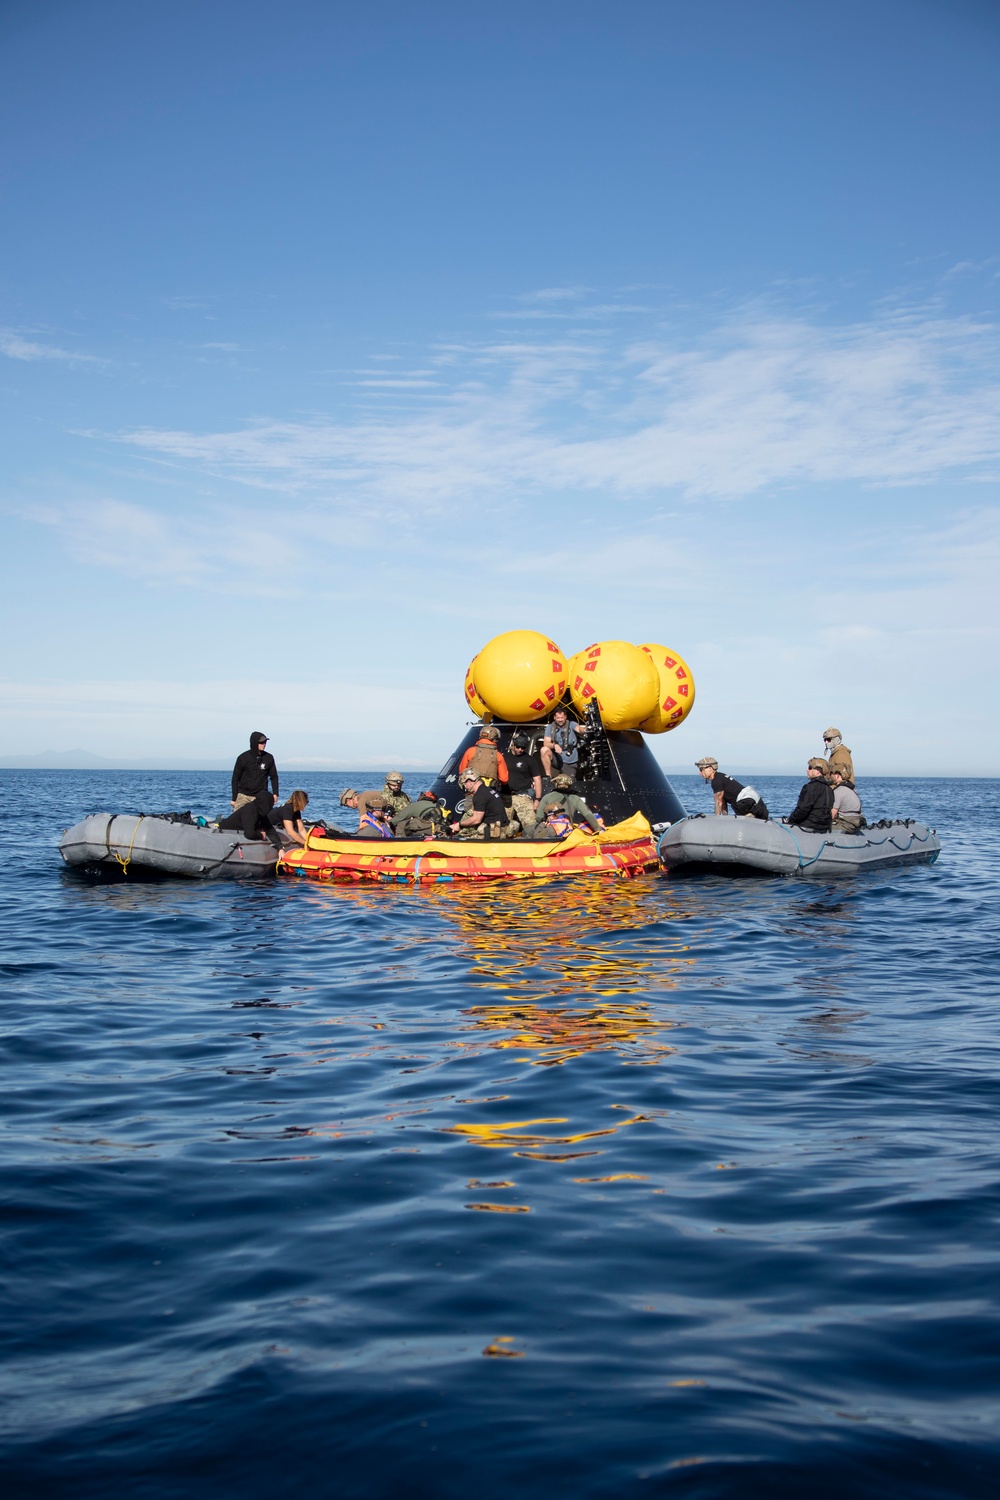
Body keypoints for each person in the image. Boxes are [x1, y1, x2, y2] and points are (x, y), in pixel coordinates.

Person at [534, 774, 606, 839]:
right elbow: (588, 814)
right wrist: (598, 829)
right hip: (567, 831)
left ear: (555, 784)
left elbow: (538, 817)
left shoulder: (547, 797)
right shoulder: (575, 798)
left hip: (550, 830)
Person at [694, 757, 768, 820]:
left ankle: (750, 818)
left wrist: (716, 821)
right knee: (735, 806)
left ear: (710, 769)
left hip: (749, 802)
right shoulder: (720, 777)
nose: (700, 773)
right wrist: (724, 819)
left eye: (701, 769)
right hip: (755, 800)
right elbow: (723, 802)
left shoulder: (716, 781)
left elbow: (718, 802)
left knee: (739, 808)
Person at [504, 730, 543, 835]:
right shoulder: (504, 757)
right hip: (505, 796)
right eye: (518, 747)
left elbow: (537, 779)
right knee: (502, 826)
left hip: (523, 796)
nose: (520, 750)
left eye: (523, 748)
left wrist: (537, 799)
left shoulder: (529, 759)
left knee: (531, 826)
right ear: (513, 744)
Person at [450, 771, 508, 839]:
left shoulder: (480, 795)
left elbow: (476, 819)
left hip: (495, 829)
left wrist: (459, 824)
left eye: (464, 784)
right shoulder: (487, 790)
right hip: (501, 825)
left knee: (462, 836)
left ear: (469, 782)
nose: (465, 788)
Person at [231, 732, 279, 812]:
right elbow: (235, 779)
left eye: (265, 742)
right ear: (254, 743)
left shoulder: (269, 758)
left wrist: (275, 793)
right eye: (261, 742)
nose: (264, 744)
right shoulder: (243, 758)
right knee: (237, 819)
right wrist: (234, 798)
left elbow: (274, 777)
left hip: (261, 796)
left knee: (265, 819)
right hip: (244, 796)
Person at [218, 789, 282, 848]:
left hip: (239, 831)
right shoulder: (249, 811)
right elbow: (249, 834)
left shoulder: (261, 812)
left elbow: (270, 829)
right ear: (266, 804)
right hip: (225, 831)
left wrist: (280, 847)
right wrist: (261, 835)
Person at [787, 758, 835, 833]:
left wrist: (790, 820)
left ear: (818, 772)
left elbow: (802, 809)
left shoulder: (809, 787)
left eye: (810, 768)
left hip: (809, 826)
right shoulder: (829, 789)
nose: (807, 770)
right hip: (823, 827)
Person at [541, 708, 579, 782]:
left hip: (570, 760)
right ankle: (548, 778)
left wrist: (585, 729)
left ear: (565, 717)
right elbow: (545, 743)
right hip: (557, 758)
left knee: (570, 782)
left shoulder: (572, 724)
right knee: (544, 750)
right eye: (558, 718)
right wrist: (554, 745)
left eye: (562, 717)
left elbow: (579, 729)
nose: (560, 720)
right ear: (554, 718)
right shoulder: (550, 727)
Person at [829, 766, 863, 831]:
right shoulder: (852, 789)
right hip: (857, 820)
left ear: (837, 775)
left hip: (847, 822)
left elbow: (833, 813)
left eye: (832, 774)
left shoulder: (838, 791)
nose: (830, 776)